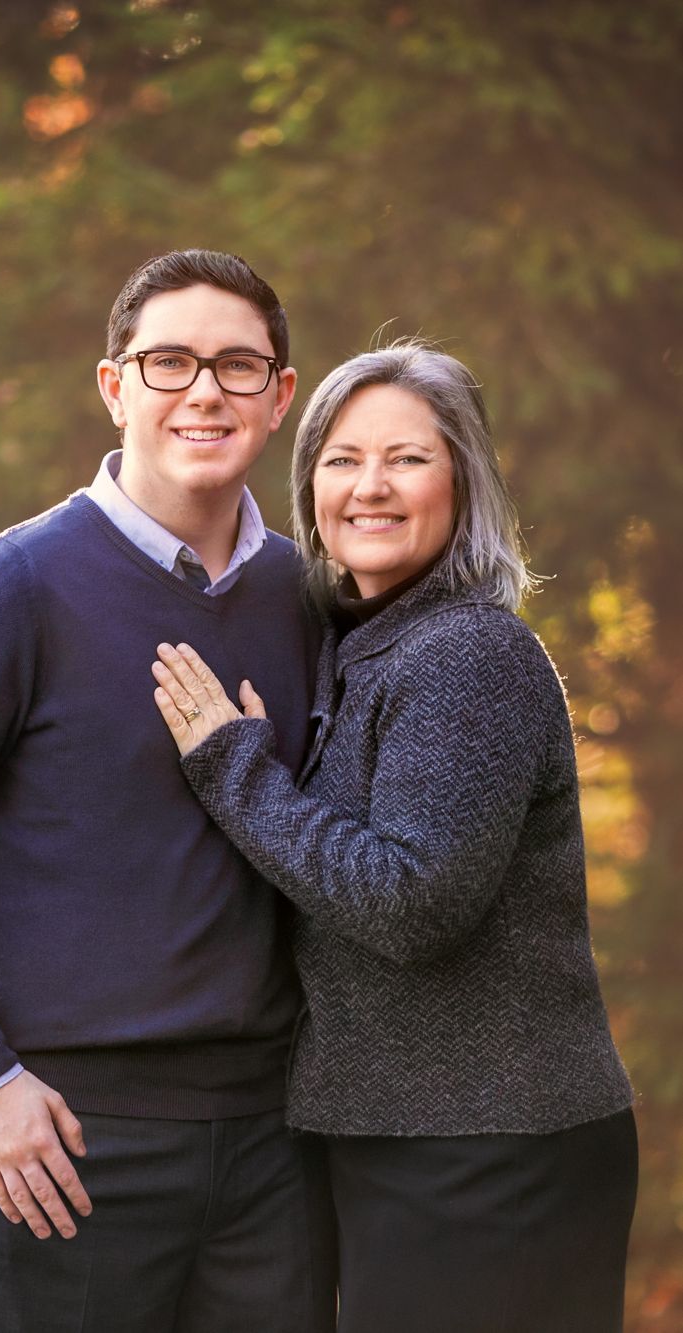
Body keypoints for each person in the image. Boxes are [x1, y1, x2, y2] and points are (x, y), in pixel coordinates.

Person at [0, 249, 336, 1333]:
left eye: (238, 365)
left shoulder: (307, 594)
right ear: (115, 386)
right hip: (69, 1142)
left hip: (275, 1143)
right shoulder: (17, 588)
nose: (204, 389)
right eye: (168, 362)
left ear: (279, 396)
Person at [151, 341, 638, 1333]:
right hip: (411, 1134)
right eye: (341, 458)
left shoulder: (468, 652)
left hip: (493, 1150)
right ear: (309, 483)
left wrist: (235, 768)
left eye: (407, 459)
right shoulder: (359, 641)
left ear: (464, 481)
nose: (369, 486)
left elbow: (412, 900)